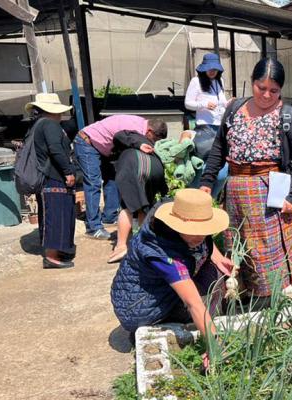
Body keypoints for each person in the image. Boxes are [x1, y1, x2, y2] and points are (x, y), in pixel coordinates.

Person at [200, 58, 292, 299]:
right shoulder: (235, 109)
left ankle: (276, 298)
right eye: (261, 88)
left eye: (274, 90)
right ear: (252, 83)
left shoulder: (288, 116)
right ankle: (245, 297)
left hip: (270, 190)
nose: (267, 95)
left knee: (269, 248)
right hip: (236, 190)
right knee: (239, 246)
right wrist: (208, 181)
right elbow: (219, 146)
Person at [110, 189, 232, 347]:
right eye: (194, 231)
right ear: (177, 225)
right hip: (140, 307)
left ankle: (201, 324)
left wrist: (219, 258)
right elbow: (192, 302)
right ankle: (154, 330)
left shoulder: (182, 225)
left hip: (161, 290)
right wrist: (215, 346)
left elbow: (203, 237)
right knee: (207, 296)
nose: (200, 237)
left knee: (215, 274)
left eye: (204, 230)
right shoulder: (161, 253)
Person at [74, 114, 167, 240]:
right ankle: (93, 227)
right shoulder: (134, 128)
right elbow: (120, 136)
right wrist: (139, 145)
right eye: (154, 139)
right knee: (93, 183)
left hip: (104, 148)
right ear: (149, 131)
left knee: (113, 179)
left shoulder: (142, 125)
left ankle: (109, 217)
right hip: (87, 143)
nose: (152, 142)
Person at [26, 93, 77, 269]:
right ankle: (51, 256)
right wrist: (68, 171)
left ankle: (57, 251)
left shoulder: (39, 125)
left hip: (50, 177)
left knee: (56, 214)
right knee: (56, 215)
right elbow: (55, 150)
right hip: (53, 177)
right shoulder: (49, 124)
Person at [106, 130, 169, 263]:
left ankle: (121, 246)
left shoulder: (132, 136)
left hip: (134, 169)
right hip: (156, 168)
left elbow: (117, 135)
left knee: (128, 207)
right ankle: (143, 242)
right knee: (144, 206)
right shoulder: (150, 147)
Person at [185, 53, 229, 196]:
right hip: (205, 129)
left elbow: (222, 102)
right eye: (210, 69)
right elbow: (187, 103)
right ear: (203, 69)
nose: (212, 72)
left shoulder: (219, 81)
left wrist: (229, 104)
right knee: (203, 165)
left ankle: (212, 198)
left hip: (220, 127)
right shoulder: (196, 81)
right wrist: (203, 104)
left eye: (215, 69)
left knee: (222, 168)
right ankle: (195, 196)